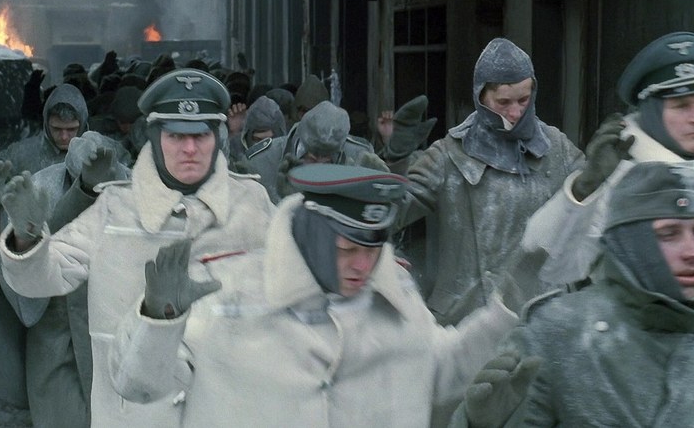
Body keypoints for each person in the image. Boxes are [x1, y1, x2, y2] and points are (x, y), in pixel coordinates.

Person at [108, 164, 520, 427]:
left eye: (373, 249)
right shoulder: (224, 288)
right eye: (347, 250)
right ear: (313, 236)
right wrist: (159, 321)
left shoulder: (394, 292)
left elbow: (438, 368)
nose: (363, 266)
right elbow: (139, 388)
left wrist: (505, 312)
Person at [0, 68, 274, 426]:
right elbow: (43, 278)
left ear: (216, 136)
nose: (190, 149)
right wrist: (27, 237)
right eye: (176, 136)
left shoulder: (253, 204)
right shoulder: (116, 208)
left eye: (201, 135)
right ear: (155, 138)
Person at [451, 161, 694, 427]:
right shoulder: (557, 331)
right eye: (669, 234)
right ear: (631, 242)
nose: (693, 252)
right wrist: (485, 425)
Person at [0, 130, 130, 427]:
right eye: (57, 124)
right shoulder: (39, 178)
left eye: (71, 124)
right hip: (53, 333)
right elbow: (13, 256)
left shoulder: (130, 184)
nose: (63, 132)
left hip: (112, 335)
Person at [386, 38, 584, 326]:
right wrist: (397, 159)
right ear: (481, 97)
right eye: (503, 102)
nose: (515, 113)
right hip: (467, 320)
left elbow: (596, 215)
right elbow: (390, 214)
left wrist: (600, 176)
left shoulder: (557, 149)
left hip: (542, 318)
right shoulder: (449, 155)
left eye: (523, 100)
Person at [523, 31, 694, 288]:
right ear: (652, 113)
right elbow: (547, 267)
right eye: (681, 106)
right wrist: (585, 187)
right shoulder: (622, 177)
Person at [243, 100, 376, 204]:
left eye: (326, 161)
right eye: (312, 158)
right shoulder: (261, 162)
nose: (318, 168)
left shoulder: (360, 157)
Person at [228, 95, 287, 166]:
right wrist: (234, 133)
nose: (263, 149)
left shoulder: (289, 158)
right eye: (258, 140)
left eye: (269, 142)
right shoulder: (236, 157)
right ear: (246, 139)